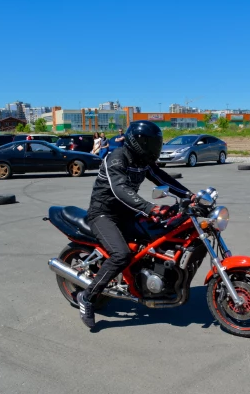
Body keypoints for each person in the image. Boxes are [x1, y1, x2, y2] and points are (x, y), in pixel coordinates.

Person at [76, 120, 194, 328]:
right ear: (138, 142)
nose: (155, 147)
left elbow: (161, 177)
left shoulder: (143, 161)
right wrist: (150, 208)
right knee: (121, 254)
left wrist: (189, 196)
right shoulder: (117, 158)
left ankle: (151, 280)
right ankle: (87, 297)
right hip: (104, 214)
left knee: (161, 235)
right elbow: (120, 188)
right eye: (151, 143)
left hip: (128, 212)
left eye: (156, 143)